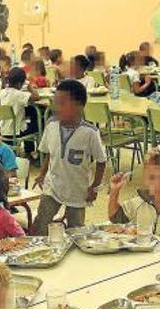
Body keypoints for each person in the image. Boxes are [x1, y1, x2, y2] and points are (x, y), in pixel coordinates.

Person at [32, 80, 107, 235]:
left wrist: (95, 186)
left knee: (76, 230)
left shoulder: (90, 133)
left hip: (77, 190)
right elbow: (49, 153)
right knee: (41, 223)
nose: (56, 107)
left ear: (79, 106)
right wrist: (41, 173)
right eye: (55, 102)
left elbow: (101, 161)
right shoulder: (51, 125)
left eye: (62, 103)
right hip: (53, 187)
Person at [0, 68, 40, 156]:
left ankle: (29, 150)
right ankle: (31, 150)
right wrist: (29, 85)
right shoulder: (19, 94)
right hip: (16, 132)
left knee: (28, 111)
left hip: (3, 130)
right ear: (20, 83)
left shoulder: (2, 93)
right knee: (37, 122)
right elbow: (37, 97)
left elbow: (3, 87)